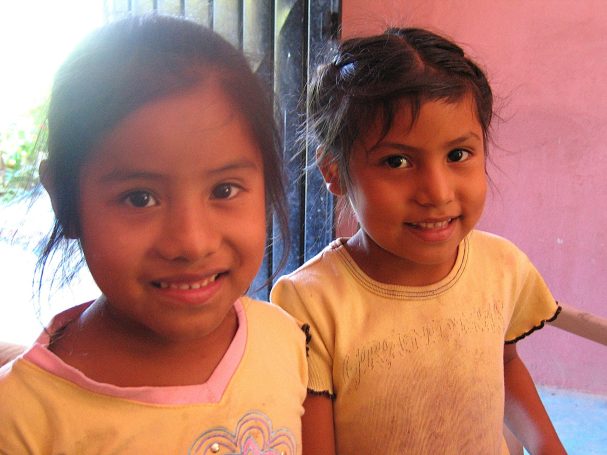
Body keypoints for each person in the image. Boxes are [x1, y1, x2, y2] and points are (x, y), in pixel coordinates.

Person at [0, 15, 308, 453]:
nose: (192, 243)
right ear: (64, 201)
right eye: (139, 198)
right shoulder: (23, 418)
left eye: (224, 190)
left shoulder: (281, 339)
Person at [271, 27, 566, 454]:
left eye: (458, 155)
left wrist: (549, 448)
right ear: (334, 171)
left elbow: (505, 363)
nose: (437, 193)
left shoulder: (502, 267)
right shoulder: (310, 304)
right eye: (397, 161)